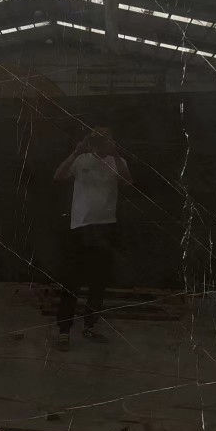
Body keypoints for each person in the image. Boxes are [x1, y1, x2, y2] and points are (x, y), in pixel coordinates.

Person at [53, 127, 132, 351]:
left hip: (105, 227)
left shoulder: (118, 161)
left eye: (106, 139)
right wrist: (75, 152)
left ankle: (90, 326)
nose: (101, 144)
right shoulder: (82, 159)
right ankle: (64, 331)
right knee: (71, 281)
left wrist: (116, 153)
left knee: (98, 281)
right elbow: (58, 175)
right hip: (80, 226)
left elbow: (128, 182)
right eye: (98, 139)